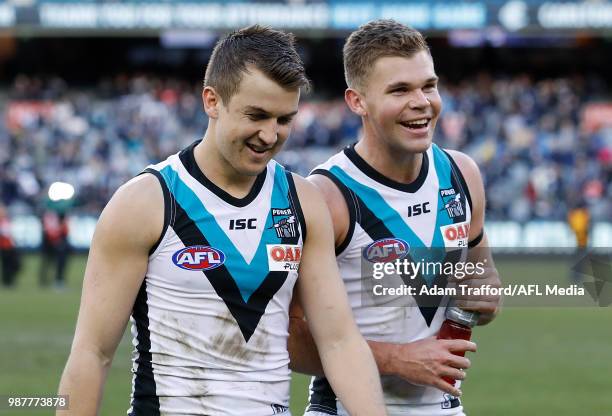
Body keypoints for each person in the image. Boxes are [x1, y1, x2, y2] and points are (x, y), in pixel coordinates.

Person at [57, 25, 386, 416]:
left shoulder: (303, 202)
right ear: (212, 101)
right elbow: (92, 354)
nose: (270, 134)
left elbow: (340, 343)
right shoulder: (145, 202)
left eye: (284, 119)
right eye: (256, 115)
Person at [287, 20, 502, 415]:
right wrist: (394, 358)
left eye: (429, 85)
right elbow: (287, 336)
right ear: (357, 101)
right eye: (399, 90)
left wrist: (485, 297)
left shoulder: (462, 174)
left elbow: (482, 285)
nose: (422, 101)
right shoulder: (326, 196)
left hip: (445, 407)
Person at [40, 210, 70, 288]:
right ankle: (45, 279)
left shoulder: (61, 218)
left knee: (58, 262)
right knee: (48, 261)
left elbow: (65, 231)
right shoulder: (49, 217)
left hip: (58, 244)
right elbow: (50, 231)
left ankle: (57, 279)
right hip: (50, 244)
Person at [0, 204, 20, 288]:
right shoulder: (2, 221)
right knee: (6, 265)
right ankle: (7, 282)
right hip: (4, 247)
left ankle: (9, 281)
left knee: (12, 264)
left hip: (10, 246)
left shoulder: (7, 220)